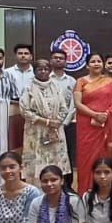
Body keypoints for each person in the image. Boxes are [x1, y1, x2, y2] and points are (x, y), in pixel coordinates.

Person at [73, 53, 112, 193]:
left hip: (106, 126)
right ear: (87, 65)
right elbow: (78, 104)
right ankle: (86, 191)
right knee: (87, 161)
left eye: (99, 61)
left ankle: (107, 192)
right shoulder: (81, 81)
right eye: (93, 61)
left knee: (106, 156)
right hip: (87, 126)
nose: (96, 64)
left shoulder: (109, 82)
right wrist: (95, 115)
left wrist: (107, 114)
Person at [21, 59, 73, 184]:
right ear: (34, 71)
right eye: (40, 69)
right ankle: (36, 189)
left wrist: (55, 123)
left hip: (55, 130)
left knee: (56, 161)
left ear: (50, 71)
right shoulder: (28, 88)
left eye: (46, 69)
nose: (43, 71)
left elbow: (64, 108)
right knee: (35, 162)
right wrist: (46, 122)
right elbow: (24, 110)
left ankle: (56, 186)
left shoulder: (55, 86)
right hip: (36, 130)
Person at [46, 48, 78, 176]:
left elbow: (73, 104)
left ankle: (68, 184)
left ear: (65, 62)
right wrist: (52, 122)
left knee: (68, 154)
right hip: (49, 123)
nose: (58, 60)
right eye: (55, 57)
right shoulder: (45, 79)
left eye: (61, 58)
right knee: (50, 153)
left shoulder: (72, 81)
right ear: (50, 60)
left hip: (68, 124)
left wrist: (63, 123)